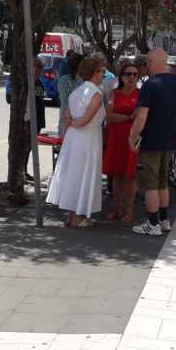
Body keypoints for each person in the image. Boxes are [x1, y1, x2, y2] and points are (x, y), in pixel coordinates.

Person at [129, 49, 176, 236]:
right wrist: (175, 131)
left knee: (150, 185)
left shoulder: (150, 85)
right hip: (170, 141)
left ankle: (152, 223)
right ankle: (163, 220)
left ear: (152, 62)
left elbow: (141, 116)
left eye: (147, 62)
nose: (146, 66)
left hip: (151, 141)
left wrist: (133, 136)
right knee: (163, 182)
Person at [46, 57, 106, 228]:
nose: (103, 74)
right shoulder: (96, 94)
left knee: (73, 174)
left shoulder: (76, 92)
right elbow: (86, 120)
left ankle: (71, 215)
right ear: (95, 72)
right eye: (102, 71)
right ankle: (78, 216)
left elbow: (66, 113)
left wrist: (71, 123)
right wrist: (74, 123)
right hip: (88, 138)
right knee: (84, 174)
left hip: (73, 138)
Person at [103, 58, 141, 223]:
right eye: (128, 74)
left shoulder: (141, 95)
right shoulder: (114, 94)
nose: (131, 77)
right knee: (117, 176)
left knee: (130, 176)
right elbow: (108, 115)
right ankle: (117, 208)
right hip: (116, 137)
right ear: (121, 76)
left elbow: (139, 117)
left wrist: (122, 118)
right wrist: (127, 117)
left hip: (132, 138)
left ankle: (128, 210)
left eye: (135, 74)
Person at [56, 53, 84, 137]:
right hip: (76, 119)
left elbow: (62, 99)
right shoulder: (82, 82)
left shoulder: (62, 80)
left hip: (64, 116)